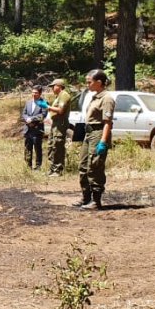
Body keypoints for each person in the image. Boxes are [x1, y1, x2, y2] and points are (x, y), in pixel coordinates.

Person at [75, 69, 114, 210]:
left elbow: (107, 122)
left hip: (98, 133)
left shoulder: (107, 98)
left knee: (94, 166)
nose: (87, 85)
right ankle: (86, 198)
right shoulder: (94, 96)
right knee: (83, 166)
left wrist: (103, 141)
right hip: (89, 133)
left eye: (89, 82)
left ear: (99, 82)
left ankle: (96, 201)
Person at [45, 78, 73, 175]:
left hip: (60, 123)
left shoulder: (64, 95)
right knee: (51, 145)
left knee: (58, 145)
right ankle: (52, 169)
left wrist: (47, 107)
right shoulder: (58, 96)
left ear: (59, 86)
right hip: (55, 123)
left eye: (53, 86)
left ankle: (58, 170)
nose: (52, 88)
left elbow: (60, 110)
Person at [21, 86, 48, 170]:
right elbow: (24, 113)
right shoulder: (28, 102)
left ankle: (38, 167)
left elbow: (43, 115)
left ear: (40, 93)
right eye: (33, 92)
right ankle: (28, 166)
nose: (33, 94)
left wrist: (32, 119)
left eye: (36, 93)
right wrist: (27, 119)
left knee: (37, 149)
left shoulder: (43, 102)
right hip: (28, 129)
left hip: (37, 129)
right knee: (27, 148)